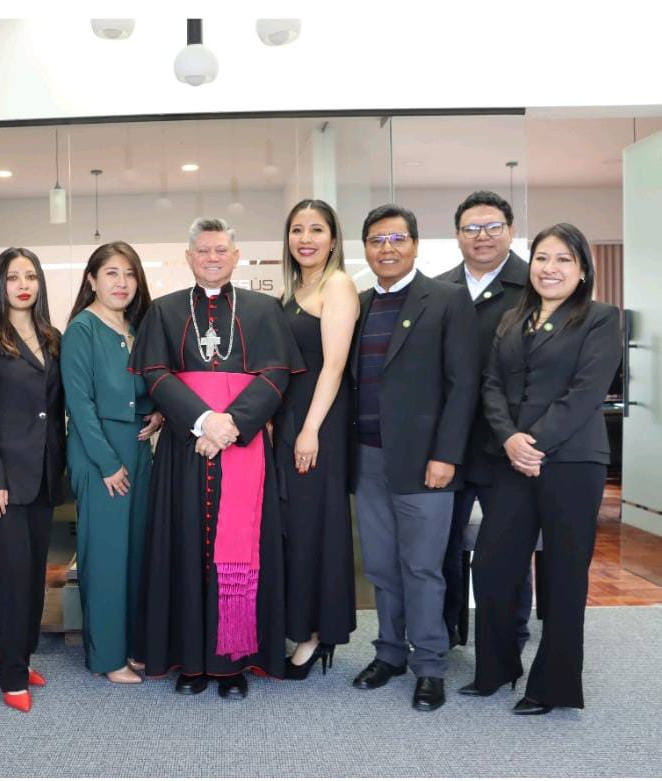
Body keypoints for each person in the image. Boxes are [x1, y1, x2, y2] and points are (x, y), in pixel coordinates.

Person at [128, 217, 302, 699]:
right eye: (203, 251)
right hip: (187, 447)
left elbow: (276, 375)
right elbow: (156, 375)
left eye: (220, 250)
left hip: (242, 445)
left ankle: (233, 664)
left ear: (236, 255)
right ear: (188, 257)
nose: (211, 258)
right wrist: (204, 422)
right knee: (183, 546)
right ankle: (189, 660)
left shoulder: (264, 309)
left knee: (243, 549)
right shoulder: (163, 311)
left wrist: (232, 425)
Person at [466, 223, 621, 714]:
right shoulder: (513, 319)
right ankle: (497, 669)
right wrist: (510, 440)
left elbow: (586, 392)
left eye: (562, 260)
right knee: (491, 565)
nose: (549, 269)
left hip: (574, 461)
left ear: (581, 271)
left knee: (562, 573)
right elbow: (490, 385)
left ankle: (550, 687)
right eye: (541, 258)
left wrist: (533, 444)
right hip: (512, 458)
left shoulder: (599, 318)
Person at [349, 204, 479, 712]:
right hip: (368, 458)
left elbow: (463, 385)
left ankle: (429, 664)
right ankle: (389, 653)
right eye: (377, 240)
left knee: (423, 567)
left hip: (427, 462)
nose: (387, 248)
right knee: (381, 566)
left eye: (397, 239)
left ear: (416, 245)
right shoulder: (356, 305)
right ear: (365, 248)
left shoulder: (446, 301)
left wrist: (447, 454)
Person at [0, 247, 66, 713]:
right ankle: (11, 675)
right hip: (2, 479)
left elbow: (56, 407)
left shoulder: (52, 336)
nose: (23, 284)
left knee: (35, 574)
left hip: (43, 474)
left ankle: (18, 655)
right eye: (13, 277)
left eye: (31, 276)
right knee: (10, 577)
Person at [61, 242, 163, 685]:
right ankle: (107, 657)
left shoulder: (139, 329)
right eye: (111, 274)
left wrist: (158, 412)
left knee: (136, 553)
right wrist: (106, 463)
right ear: (92, 281)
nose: (121, 283)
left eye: (129, 274)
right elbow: (79, 404)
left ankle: (132, 647)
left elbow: (156, 384)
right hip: (98, 453)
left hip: (139, 451)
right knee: (105, 558)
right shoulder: (82, 329)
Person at [437, 190, 533, 649]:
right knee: (444, 547)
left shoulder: (534, 286)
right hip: (450, 445)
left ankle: (510, 632)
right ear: (457, 236)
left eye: (493, 226)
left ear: (510, 231)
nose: (483, 236)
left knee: (506, 547)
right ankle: (448, 631)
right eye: (471, 228)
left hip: (506, 443)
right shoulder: (438, 289)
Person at [273, 200, 359, 679]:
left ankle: (312, 636)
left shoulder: (338, 285)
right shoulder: (295, 289)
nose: (306, 238)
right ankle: (299, 625)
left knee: (312, 528)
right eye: (297, 230)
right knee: (292, 527)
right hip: (289, 422)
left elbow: (334, 365)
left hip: (317, 424)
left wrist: (309, 429)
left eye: (317, 229)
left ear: (333, 238)